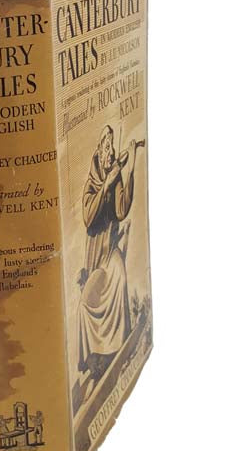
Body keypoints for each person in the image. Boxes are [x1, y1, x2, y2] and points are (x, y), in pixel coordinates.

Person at [76, 125, 138, 401]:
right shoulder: (92, 185)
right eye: (106, 147)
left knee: (121, 276)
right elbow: (89, 217)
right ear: (99, 152)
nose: (110, 152)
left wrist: (129, 167)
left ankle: (118, 348)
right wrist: (107, 183)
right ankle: (95, 361)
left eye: (112, 148)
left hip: (111, 251)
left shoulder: (115, 175)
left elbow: (122, 210)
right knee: (85, 304)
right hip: (95, 261)